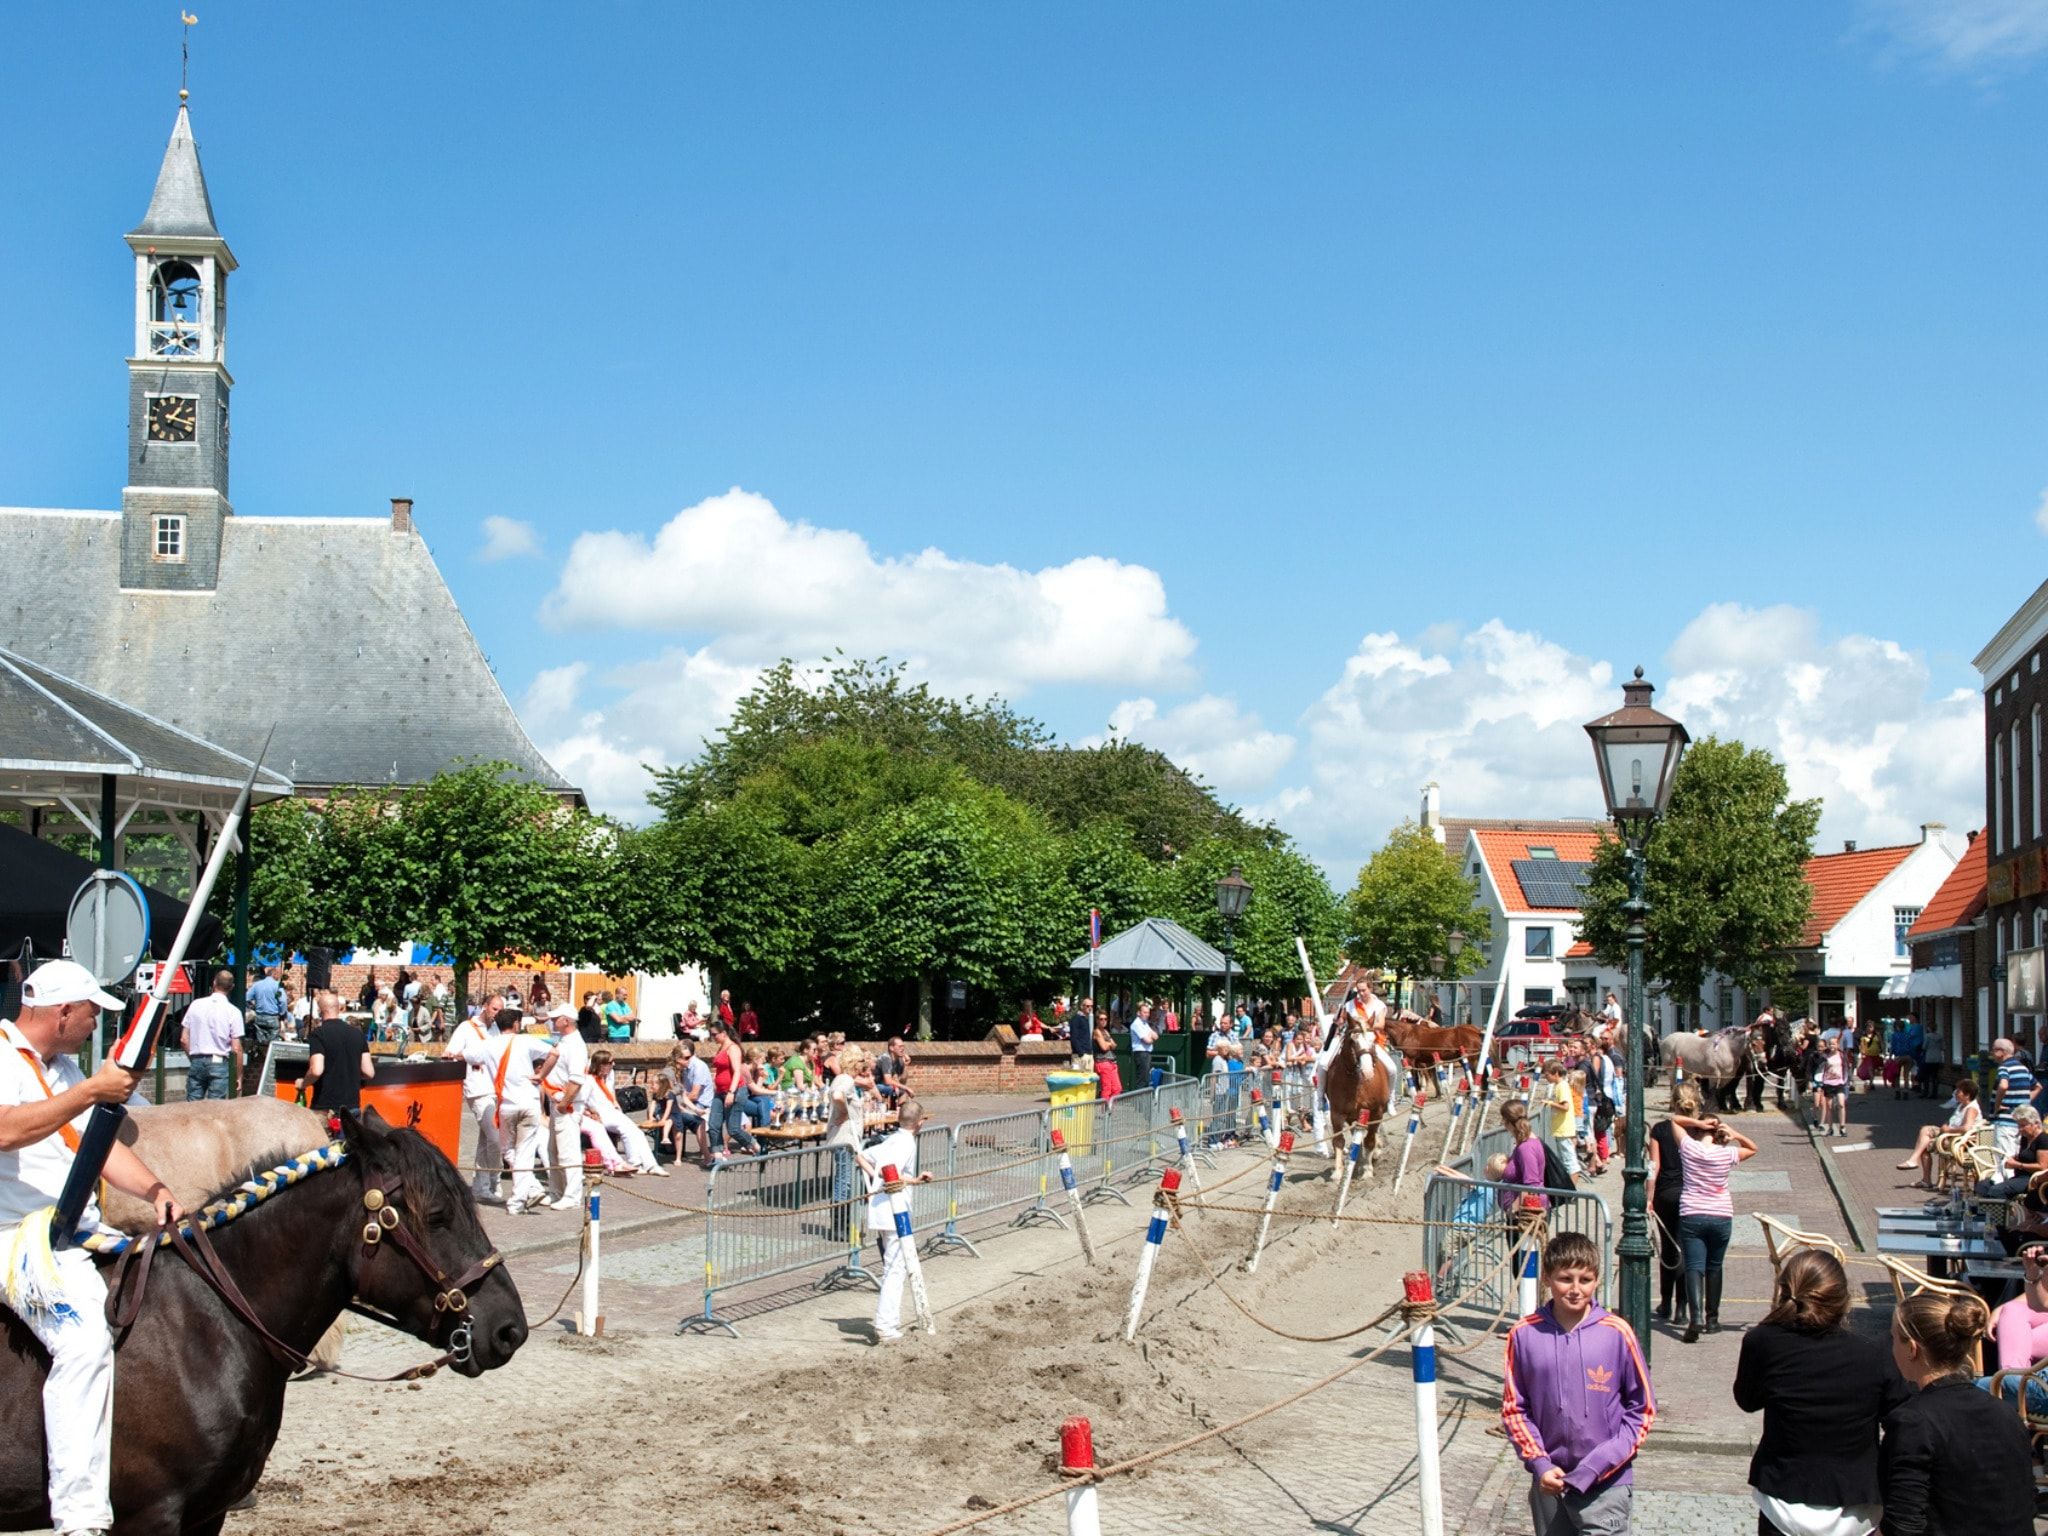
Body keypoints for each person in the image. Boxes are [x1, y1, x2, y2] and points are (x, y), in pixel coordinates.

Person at [2, 959, 184, 1536]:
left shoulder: (59, 1068)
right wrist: (89, 1091)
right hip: (13, 1237)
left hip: (73, 1230)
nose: (93, 1025)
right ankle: (79, 1519)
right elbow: (6, 1130)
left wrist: (156, 1188)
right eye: (89, 1014)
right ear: (62, 1013)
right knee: (82, 1342)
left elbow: (97, 1147)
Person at [1732, 1249, 1904, 1536]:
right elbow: (1899, 1419)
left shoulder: (1762, 1341)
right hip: (1855, 1502)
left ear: (1784, 1290)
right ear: (1843, 1299)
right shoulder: (1873, 1354)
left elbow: (1747, 1401)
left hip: (1783, 1493)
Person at [1500, 1230, 1655, 1536]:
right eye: (1565, 1279)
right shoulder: (1523, 1334)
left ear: (1597, 1280)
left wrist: (1601, 1462)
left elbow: (1643, 1409)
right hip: (1550, 1484)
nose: (1575, 1289)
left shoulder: (1616, 1332)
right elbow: (1515, 1409)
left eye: (1584, 1280)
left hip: (1606, 1482)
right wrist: (1539, 1463)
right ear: (1547, 1278)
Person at [1882, 1289, 2035, 1536]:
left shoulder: (1913, 1421)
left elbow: (1903, 1524)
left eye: (1893, 1339)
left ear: (1912, 1348)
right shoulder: (2005, 1413)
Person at [1672, 1111, 1756, 1343]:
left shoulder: (1689, 1148)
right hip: (1721, 1214)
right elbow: (1752, 1148)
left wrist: (1698, 1122)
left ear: (1698, 1131)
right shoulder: (1726, 1153)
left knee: (1694, 1267)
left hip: (1692, 1212)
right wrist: (1734, 1133)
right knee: (1715, 1266)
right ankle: (1712, 1319)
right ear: (1719, 1133)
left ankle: (1695, 1315)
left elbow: (1675, 1120)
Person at [859, 1096, 935, 1342]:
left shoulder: (891, 1139)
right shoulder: (906, 1144)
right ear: (920, 1123)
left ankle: (888, 1323)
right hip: (894, 1210)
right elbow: (893, 1172)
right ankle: (886, 1325)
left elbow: (863, 1156)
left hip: (881, 1208)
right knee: (895, 1269)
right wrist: (917, 1179)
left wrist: (875, 1181)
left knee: (894, 1266)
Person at [470, 1005, 558, 1216]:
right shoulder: (525, 1041)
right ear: (516, 1024)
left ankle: (524, 1195)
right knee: (525, 1151)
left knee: (507, 1149)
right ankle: (523, 1196)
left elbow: (466, 1056)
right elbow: (555, 1052)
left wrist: (451, 1053)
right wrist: (541, 1075)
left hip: (506, 1105)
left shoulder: (488, 1045)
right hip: (528, 1102)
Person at [1643, 1083, 1699, 1328]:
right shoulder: (1699, 1128)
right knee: (1688, 1250)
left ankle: (1666, 1302)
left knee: (1668, 1248)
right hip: (1692, 1192)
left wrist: (1649, 1197)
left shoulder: (1661, 1129)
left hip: (1666, 1192)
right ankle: (1682, 1308)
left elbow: (1654, 1167)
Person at [443, 995, 505, 1203]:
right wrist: (470, 1056)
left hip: (495, 1088)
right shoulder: (466, 1028)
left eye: (500, 1010)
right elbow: (450, 1052)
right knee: (494, 1138)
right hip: (477, 1088)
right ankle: (491, 1179)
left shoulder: (495, 1029)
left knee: (487, 1139)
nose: (497, 1013)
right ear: (485, 1007)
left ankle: (482, 1186)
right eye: (495, 1009)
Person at [1980, 1240, 2048, 1414]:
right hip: (2040, 1382)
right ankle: (2011, 1386)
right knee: (2011, 1312)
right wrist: (2033, 1272)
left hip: (2042, 1389)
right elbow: (2040, 1303)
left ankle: (2009, 1389)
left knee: (1973, 1390)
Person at [539, 1004, 592, 1209]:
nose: (553, 1021)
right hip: (558, 1102)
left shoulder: (575, 1045)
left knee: (567, 1151)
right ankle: (557, 1192)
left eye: (556, 1018)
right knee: (554, 1150)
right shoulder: (565, 1041)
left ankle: (571, 1196)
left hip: (566, 1105)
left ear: (566, 1021)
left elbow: (576, 1080)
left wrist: (564, 1104)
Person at [1894, 1079, 1980, 1189]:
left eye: (1959, 1091)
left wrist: (1948, 1130)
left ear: (1967, 1095)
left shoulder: (1971, 1108)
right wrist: (1946, 1127)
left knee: (1924, 1144)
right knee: (1925, 1130)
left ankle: (1923, 1176)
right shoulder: (1962, 1105)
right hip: (1951, 1135)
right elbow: (1953, 1122)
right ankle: (1914, 1161)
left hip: (1960, 1141)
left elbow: (1966, 1128)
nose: (1956, 1093)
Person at [302, 990, 374, 1113]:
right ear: (339, 1009)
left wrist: (303, 1084)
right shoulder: (357, 1034)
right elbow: (369, 1072)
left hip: (325, 1107)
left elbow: (316, 1070)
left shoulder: (318, 1034)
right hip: (352, 1107)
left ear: (320, 1011)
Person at [179, 968, 244, 1102]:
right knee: (215, 1110)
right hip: (219, 1062)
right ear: (232, 987)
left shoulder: (195, 1005)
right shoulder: (233, 1011)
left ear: (214, 983)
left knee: (192, 1107)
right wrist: (238, 1076)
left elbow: (184, 1039)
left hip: (197, 1059)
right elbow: (236, 1048)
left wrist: (194, 1058)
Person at [825, 1045, 869, 1239]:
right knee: (844, 1181)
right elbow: (837, 1096)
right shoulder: (845, 1079)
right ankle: (839, 1227)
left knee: (848, 1181)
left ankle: (847, 1224)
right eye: (860, 1061)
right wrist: (843, 1113)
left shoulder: (847, 1080)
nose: (864, 1065)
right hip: (844, 1139)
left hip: (848, 1139)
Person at [705, 1022, 760, 1161]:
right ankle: (718, 1157)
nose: (712, 1037)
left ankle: (756, 1146)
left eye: (714, 1034)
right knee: (713, 1124)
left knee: (733, 1129)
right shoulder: (721, 1048)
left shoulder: (733, 1048)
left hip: (735, 1091)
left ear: (723, 1033)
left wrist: (731, 1092)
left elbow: (736, 1072)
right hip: (720, 1092)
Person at [1990, 1036, 2037, 1164]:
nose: (1992, 1054)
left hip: (2005, 1121)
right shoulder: (2023, 1068)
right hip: (2018, 1122)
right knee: (2015, 1155)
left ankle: (2007, 1183)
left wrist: (1997, 1106)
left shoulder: (2004, 1067)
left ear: (2001, 1052)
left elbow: (2003, 1085)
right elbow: (2038, 1086)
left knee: (2004, 1159)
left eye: (1993, 1050)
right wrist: (2025, 1101)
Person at [1814, 1034, 1850, 1137]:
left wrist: (1847, 1080)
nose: (1831, 1045)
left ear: (1838, 1045)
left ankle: (1842, 1127)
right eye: (1830, 1044)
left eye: (1834, 1044)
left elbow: (1847, 1068)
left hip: (1839, 1082)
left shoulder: (1842, 1055)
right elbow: (1819, 1068)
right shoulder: (1825, 1056)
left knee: (1841, 1103)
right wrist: (1819, 1082)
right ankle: (1830, 1128)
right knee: (1829, 1106)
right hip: (1828, 1083)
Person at [1092, 1017, 1123, 1101]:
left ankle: (1109, 1110)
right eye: (1101, 1019)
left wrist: (1108, 1043)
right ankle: (1104, 1112)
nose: (1103, 1021)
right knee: (1107, 1089)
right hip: (1103, 1062)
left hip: (1112, 1062)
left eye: (1105, 1019)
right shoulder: (1097, 1031)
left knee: (1117, 1088)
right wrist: (1109, 1044)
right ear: (1097, 1020)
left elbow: (1114, 1045)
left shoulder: (1105, 1032)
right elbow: (1104, 1047)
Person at [1129, 1001, 1157, 1090]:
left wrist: (1149, 1037)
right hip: (1141, 1053)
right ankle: (1139, 1103)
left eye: (1148, 1012)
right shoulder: (1136, 1024)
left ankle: (1143, 1102)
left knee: (1146, 1079)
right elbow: (1147, 1040)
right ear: (1139, 1013)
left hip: (1147, 1053)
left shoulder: (1145, 1024)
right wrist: (1150, 1036)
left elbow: (1156, 1036)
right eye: (1145, 1012)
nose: (1147, 1014)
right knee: (1142, 1080)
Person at [1068, 997, 1095, 1069]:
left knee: (1089, 1079)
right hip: (1080, 1056)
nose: (1090, 1008)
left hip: (1088, 1054)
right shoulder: (1076, 1019)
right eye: (1087, 1006)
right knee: (1078, 1079)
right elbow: (1074, 1038)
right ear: (1081, 1006)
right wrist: (1081, 1053)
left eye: (1091, 1006)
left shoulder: (1085, 1019)